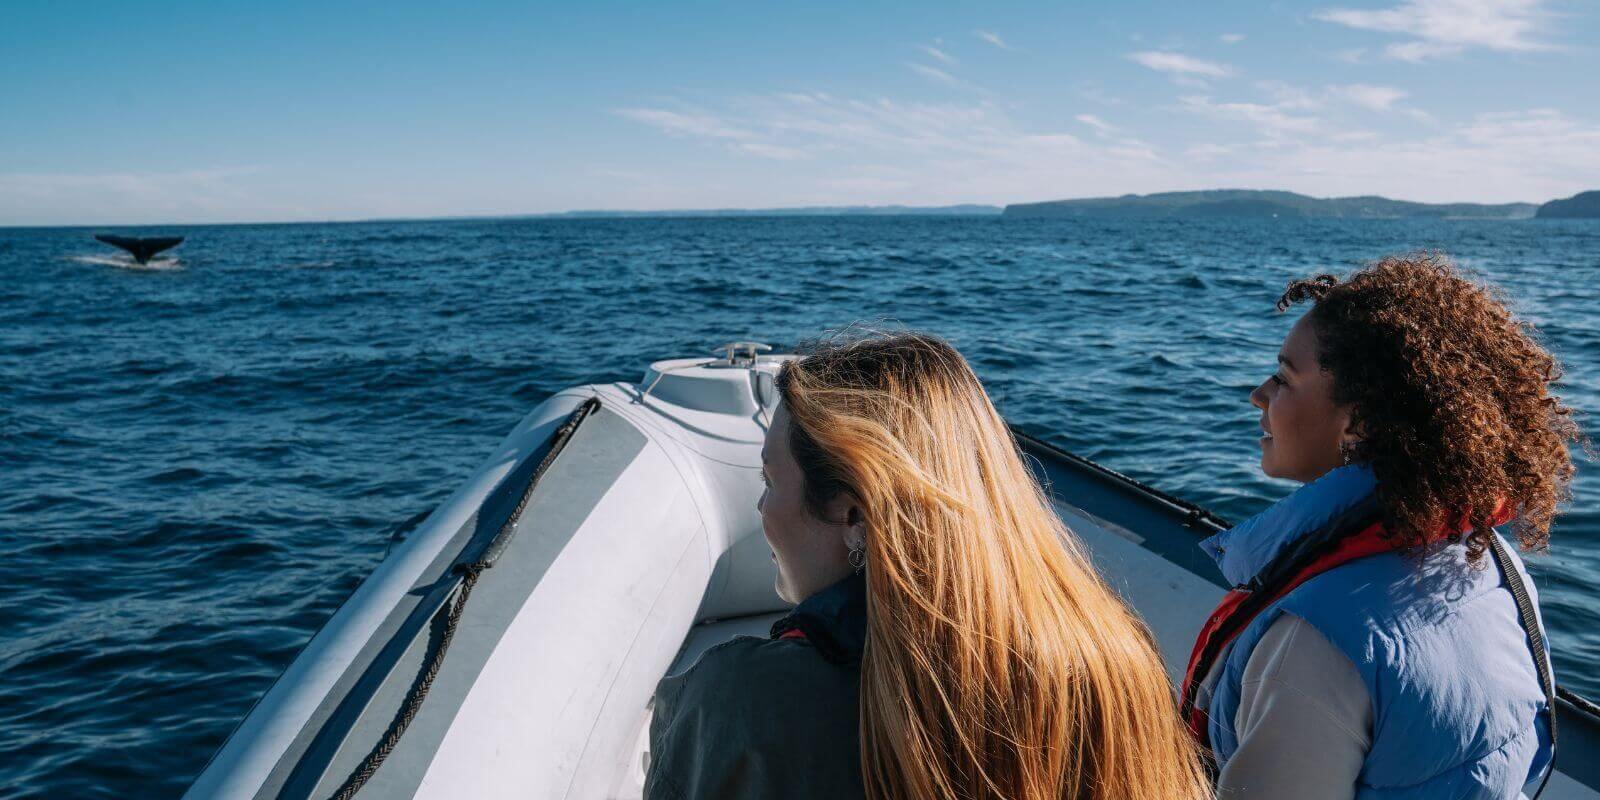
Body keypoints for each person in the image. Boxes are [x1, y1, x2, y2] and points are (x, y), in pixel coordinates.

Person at [645, 331, 1209, 800]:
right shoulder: (1115, 661)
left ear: (854, 510)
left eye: (770, 481)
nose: (762, 507)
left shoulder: (745, 700)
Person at [1185, 253, 1580, 798]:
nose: (1259, 394)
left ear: (1360, 424)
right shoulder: (1493, 561)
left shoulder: (1315, 642)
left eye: (1282, 378)